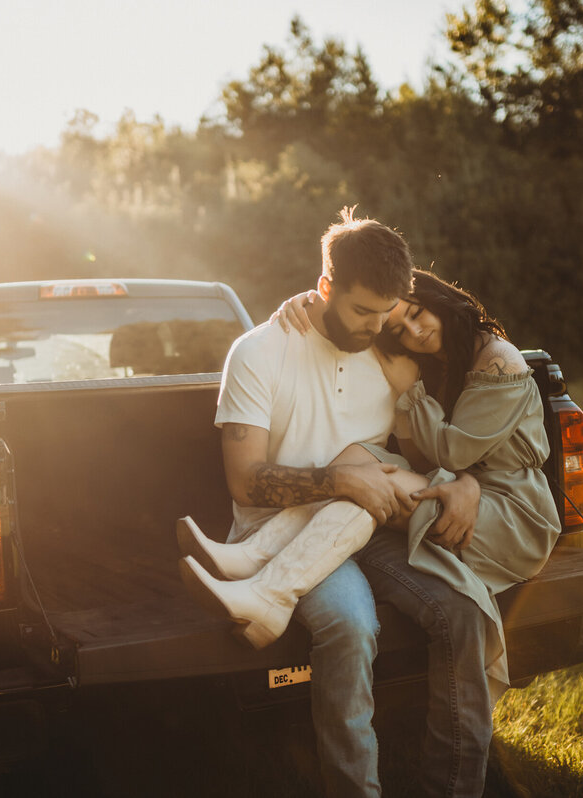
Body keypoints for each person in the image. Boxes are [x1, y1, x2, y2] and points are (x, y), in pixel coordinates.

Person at [177, 209, 487, 797]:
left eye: (385, 311)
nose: (375, 327)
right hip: (281, 535)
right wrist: (343, 483)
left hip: (375, 529)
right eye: (360, 311)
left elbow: (435, 444)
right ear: (325, 288)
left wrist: (466, 483)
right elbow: (245, 482)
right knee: (350, 625)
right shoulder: (260, 351)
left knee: (463, 612)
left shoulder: (394, 358)